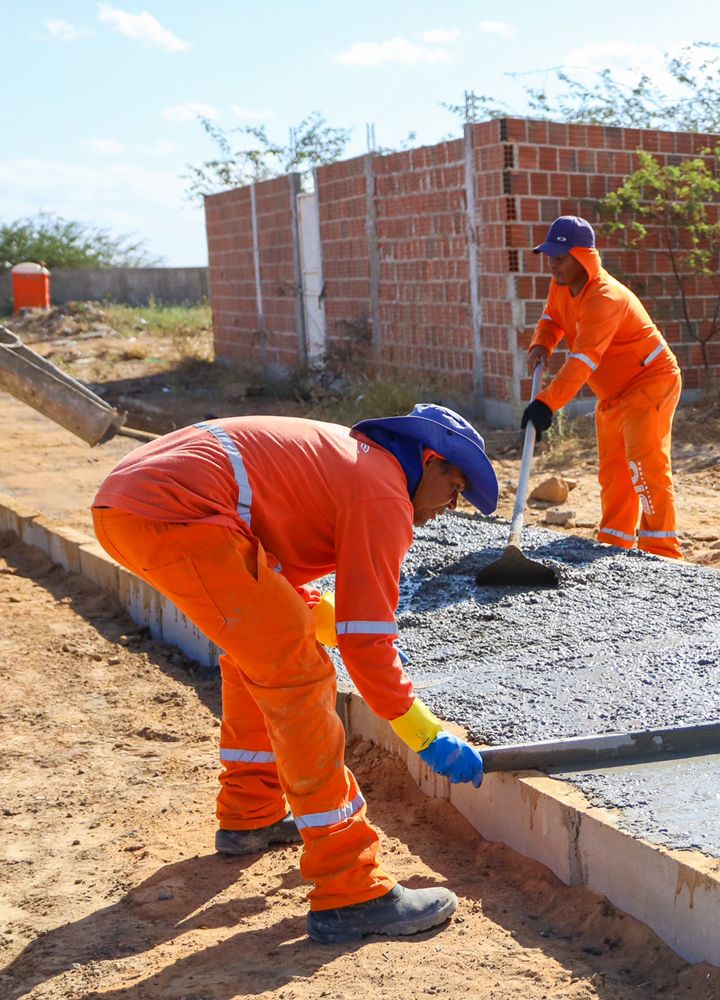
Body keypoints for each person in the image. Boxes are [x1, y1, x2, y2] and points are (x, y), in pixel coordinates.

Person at [91, 404, 496, 944]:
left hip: (141, 504)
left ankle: (251, 811)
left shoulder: (353, 464)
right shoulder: (382, 492)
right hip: (176, 513)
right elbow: (366, 642)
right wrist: (424, 732)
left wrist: (319, 618)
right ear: (430, 459)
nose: (452, 505)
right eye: (456, 485)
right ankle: (352, 888)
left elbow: (276, 570)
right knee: (302, 675)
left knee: (265, 649)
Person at [520, 215, 683, 559]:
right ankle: (614, 545)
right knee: (614, 472)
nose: (552, 264)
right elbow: (552, 318)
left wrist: (547, 404)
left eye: (560, 257)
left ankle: (662, 553)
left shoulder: (605, 297)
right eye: (549, 256)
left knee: (644, 466)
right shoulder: (561, 284)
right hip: (613, 394)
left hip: (650, 381)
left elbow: (583, 360)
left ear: (583, 258)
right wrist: (541, 344)